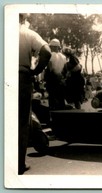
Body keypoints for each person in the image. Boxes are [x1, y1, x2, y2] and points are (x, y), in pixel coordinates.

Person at [19, 14, 51, 174]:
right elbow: (46, 51)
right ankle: (19, 163)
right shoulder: (27, 32)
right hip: (21, 76)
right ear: (23, 19)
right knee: (21, 122)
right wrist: (35, 71)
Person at [44, 38, 67, 110]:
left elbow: (49, 68)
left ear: (53, 47)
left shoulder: (50, 55)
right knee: (60, 97)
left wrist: (46, 77)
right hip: (60, 79)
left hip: (52, 78)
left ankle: (53, 114)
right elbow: (65, 69)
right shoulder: (63, 57)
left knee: (52, 97)